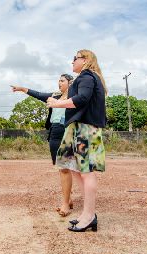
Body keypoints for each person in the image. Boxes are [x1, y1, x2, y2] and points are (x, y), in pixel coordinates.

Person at [46, 49, 106, 232]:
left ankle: (89, 215)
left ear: (85, 60)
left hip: (85, 128)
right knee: (74, 169)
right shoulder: (85, 77)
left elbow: (81, 99)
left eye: (75, 59)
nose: (72, 62)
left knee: (86, 172)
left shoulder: (88, 75)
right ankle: (88, 213)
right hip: (77, 127)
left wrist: (57, 103)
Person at [11, 74, 75, 216]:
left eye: (62, 81)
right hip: (54, 132)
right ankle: (68, 198)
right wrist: (22, 89)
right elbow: (38, 94)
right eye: (58, 80)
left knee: (65, 168)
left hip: (68, 131)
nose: (59, 83)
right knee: (60, 167)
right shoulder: (54, 96)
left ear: (70, 83)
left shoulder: (75, 98)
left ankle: (65, 204)